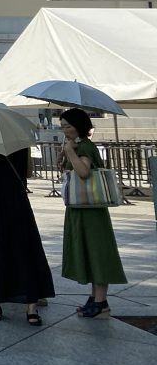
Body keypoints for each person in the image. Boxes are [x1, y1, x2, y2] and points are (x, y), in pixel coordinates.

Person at [0, 147, 54, 324]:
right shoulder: (22, 145)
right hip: (18, 201)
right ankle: (31, 309)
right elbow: (28, 172)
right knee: (25, 250)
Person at [59, 107, 127, 318]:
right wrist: (65, 155)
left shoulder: (85, 146)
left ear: (79, 126)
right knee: (88, 251)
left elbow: (84, 172)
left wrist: (70, 152)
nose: (65, 131)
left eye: (68, 126)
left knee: (97, 252)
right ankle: (95, 298)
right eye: (62, 127)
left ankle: (101, 301)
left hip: (90, 210)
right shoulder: (77, 145)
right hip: (80, 208)